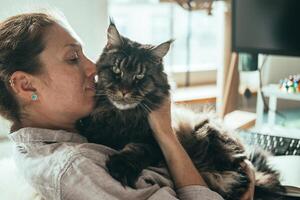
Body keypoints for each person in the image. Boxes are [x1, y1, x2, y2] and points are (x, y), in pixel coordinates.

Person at [0, 13, 254, 200]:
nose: (93, 68)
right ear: (26, 86)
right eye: (73, 58)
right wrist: (165, 134)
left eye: (86, 54)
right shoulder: (77, 168)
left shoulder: (40, 141)